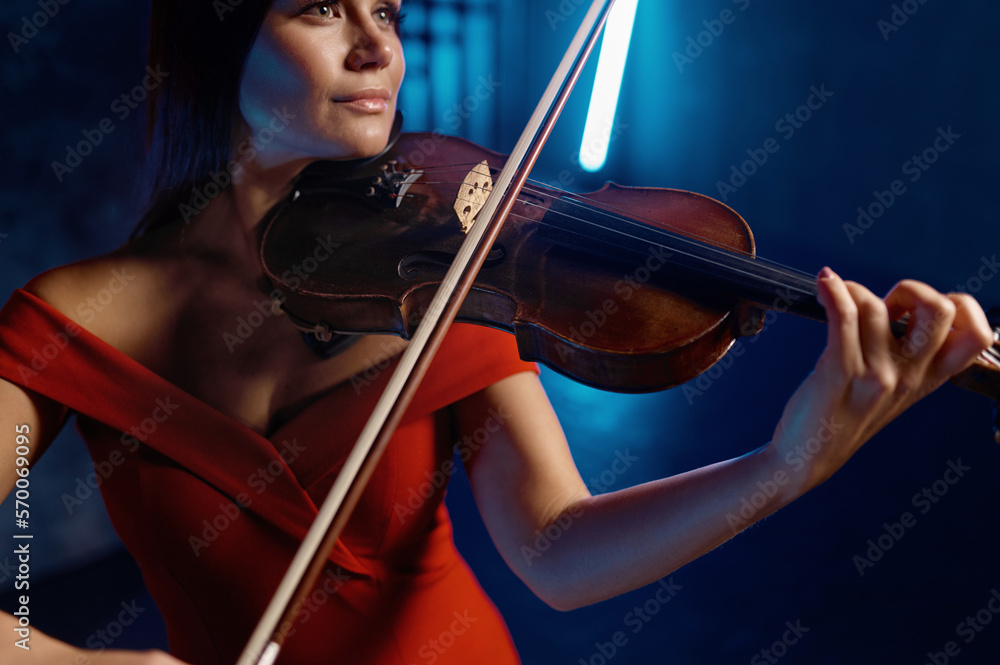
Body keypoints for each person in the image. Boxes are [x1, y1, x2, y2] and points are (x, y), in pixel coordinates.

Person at [0, 1, 993, 663]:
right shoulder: (79, 313)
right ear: (212, 41)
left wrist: (787, 460)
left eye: (383, 10)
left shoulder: (440, 266)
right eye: (317, 9)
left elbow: (557, 552)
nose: (374, 45)